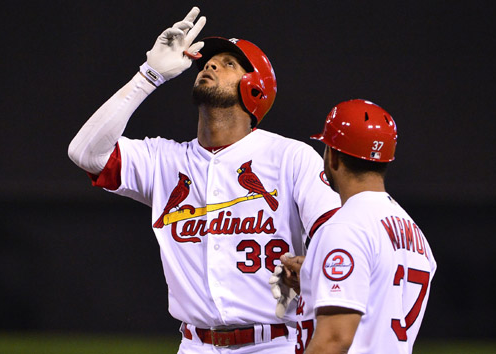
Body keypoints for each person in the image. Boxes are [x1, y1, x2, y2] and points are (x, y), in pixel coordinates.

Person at [67, 7, 340, 353]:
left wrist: (314, 268)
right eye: (209, 61)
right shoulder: (165, 160)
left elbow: (335, 234)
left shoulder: (290, 157)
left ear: (255, 88)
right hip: (195, 344)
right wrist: (148, 75)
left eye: (228, 63)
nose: (210, 65)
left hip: (273, 343)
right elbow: (85, 153)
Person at [277, 100, 437, 353]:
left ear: (334, 157)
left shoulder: (343, 227)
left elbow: (334, 339)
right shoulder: (414, 232)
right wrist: (315, 281)